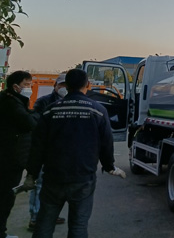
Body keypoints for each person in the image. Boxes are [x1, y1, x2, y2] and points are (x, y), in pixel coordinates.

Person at [24, 69, 126, 238]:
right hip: (83, 178)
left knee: (44, 224)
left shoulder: (50, 111)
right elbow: (106, 142)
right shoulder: (98, 110)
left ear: (66, 85)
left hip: (53, 177)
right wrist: (109, 166)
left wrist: (31, 174)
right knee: (78, 225)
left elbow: (38, 146)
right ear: (88, 85)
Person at [0, 70, 38, 238]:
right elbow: (29, 123)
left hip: (9, 157)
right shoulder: (11, 102)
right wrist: (37, 115)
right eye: (26, 85)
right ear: (15, 86)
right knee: (5, 197)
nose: (29, 88)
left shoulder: (12, 99)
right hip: (9, 158)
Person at [28, 74, 68, 232]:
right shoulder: (44, 101)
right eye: (61, 85)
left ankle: (50, 214)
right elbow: (36, 125)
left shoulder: (70, 101)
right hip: (45, 149)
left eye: (67, 85)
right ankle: (35, 217)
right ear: (56, 86)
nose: (64, 88)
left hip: (62, 152)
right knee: (39, 185)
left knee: (55, 186)